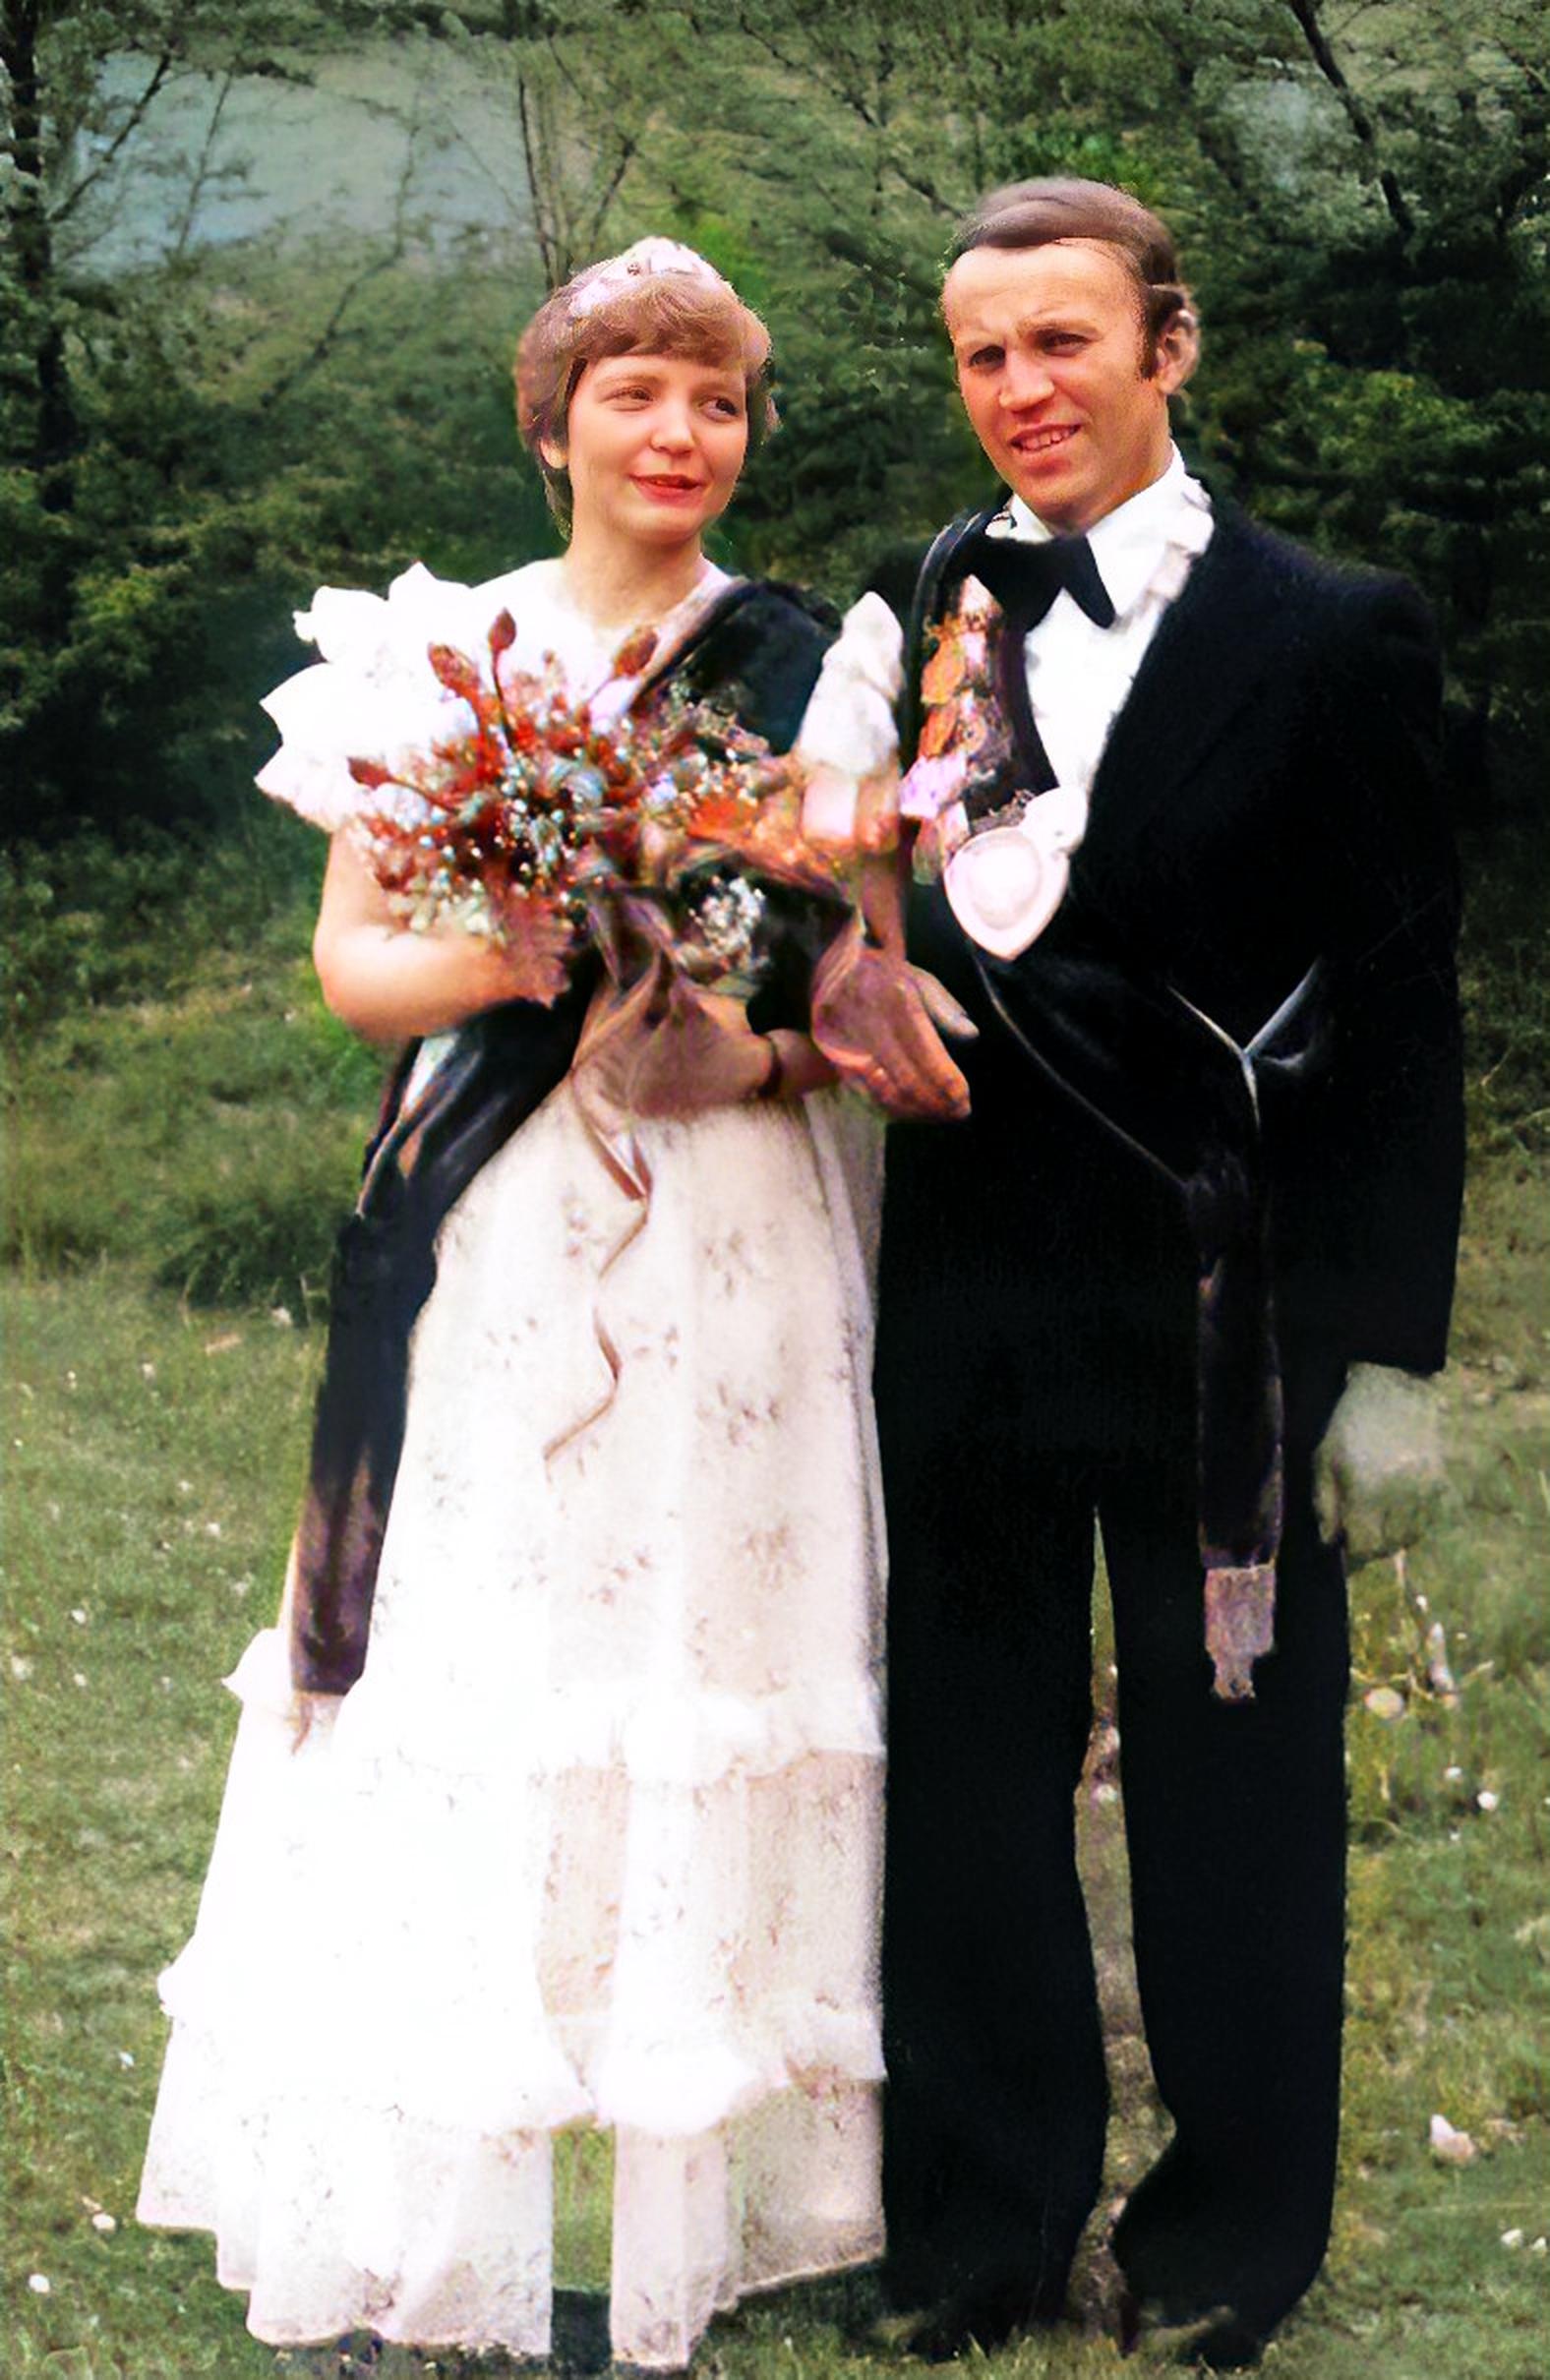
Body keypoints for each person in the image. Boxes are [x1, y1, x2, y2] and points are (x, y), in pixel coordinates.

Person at [137, 238, 918, 2371]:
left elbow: (861, 983)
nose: (680, 433)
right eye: (635, 393)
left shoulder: (812, 668)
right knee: (482, 1653)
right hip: (492, 1220)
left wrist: (745, 1047)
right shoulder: (436, 652)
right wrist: (523, 955)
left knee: (694, 1646)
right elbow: (354, 967)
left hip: (731, 1225)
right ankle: (425, 2209)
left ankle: (686, 2207)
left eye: (718, 400)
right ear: (552, 424)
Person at [868, 180, 1462, 2370]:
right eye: (982, 353)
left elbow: (1401, 1010)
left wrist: (1390, 1361)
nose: (1019, 387)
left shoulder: (1332, 631)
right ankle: (979, 2229)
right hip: (963, 1297)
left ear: (1167, 346)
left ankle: (1227, 2236)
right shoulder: (925, 603)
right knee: (962, 1768)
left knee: (1235, 1786)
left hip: (1225, 1308)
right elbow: (865, 901)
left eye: (1062, 340)